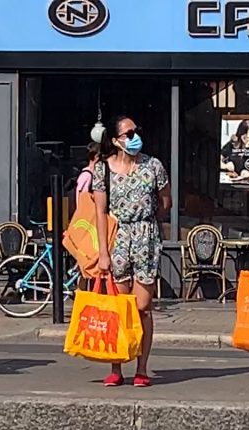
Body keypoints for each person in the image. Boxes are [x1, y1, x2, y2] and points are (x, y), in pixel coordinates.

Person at [94, 115, 172, 387]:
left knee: (142, 307)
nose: (134, 136)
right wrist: (103, 252)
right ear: (115, 140)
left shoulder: (153, 166)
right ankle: (116, 365)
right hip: (119, 237)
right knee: (118, 306)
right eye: (128, 133)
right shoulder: (103, 169)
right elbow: (100, 212)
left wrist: (150, 223)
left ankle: (142, 366)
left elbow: (166, 202)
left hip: (146, 237)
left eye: (136, 131)